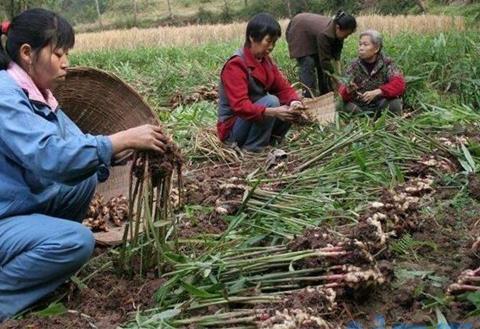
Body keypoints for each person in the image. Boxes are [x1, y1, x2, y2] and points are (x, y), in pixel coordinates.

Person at [0, 9, 169, 322]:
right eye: (59, 53)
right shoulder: (5, 95)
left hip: (19, 206)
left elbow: (77, 145)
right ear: (27, 53)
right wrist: (119, 139)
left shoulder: (40, 97)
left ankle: (39, 260)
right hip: (5, 216)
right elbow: (50, 156)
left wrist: (121, 151)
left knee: (85, 179)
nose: (66, 62)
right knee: (77, 242)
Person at [217, 13, 304, 152]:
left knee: (288, 108)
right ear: (252, 37)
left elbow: (282, 88)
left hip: (253, 120)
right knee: (272, 101)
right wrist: (273, 111)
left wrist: (294, 102)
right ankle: (253, 149)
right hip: (233, 128)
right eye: (268, 41)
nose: (271, 47)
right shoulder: (236, 65)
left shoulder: (266, 61)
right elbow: (240, 106)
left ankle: (271, 142)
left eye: (274, 43)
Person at [286, 10, 357, 97]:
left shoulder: (339, 32)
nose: (346, 37)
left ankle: (326, 93)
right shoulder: (325, 34)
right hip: (299, 31)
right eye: (346, 34)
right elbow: (325, 61)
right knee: (308, 63)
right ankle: (309, 96)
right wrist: (335, 77)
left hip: (312, 34)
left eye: (348, 35)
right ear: (338, 27)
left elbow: (336, 55)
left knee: (323, 67)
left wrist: (339, 75)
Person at [338, 29, 406, 117]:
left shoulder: (387, 63)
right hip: (359, 106)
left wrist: (379, 91)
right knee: (341, 105)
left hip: (380, 104)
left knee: (395, 103)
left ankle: (382, 121)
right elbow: (341, 90)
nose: (361, 48)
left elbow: (399, 84)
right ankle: (363, 120)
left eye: (365, 45)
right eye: (360, 44)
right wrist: (348, 90)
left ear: (376, 48)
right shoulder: (353, 65)